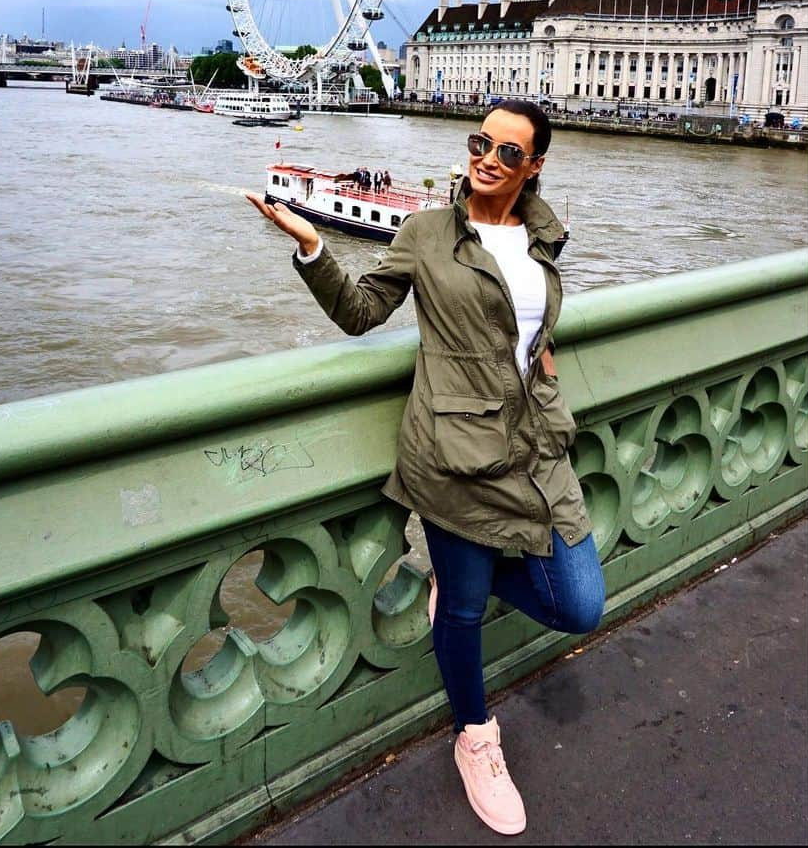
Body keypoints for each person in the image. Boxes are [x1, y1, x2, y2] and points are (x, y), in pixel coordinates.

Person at [246, 99, 605, 836]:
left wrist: (543, 366)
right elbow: (359, 312)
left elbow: (527, 326)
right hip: (456, 455)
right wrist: (313, 247)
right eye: (482, 143)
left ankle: (452, 587)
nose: (487, 159)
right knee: (467, 613)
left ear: (535, 165)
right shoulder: (425, 232)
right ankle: (475, 737)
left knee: (579, 605)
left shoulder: (544, 235)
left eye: (509, 153)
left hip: (536, 446)